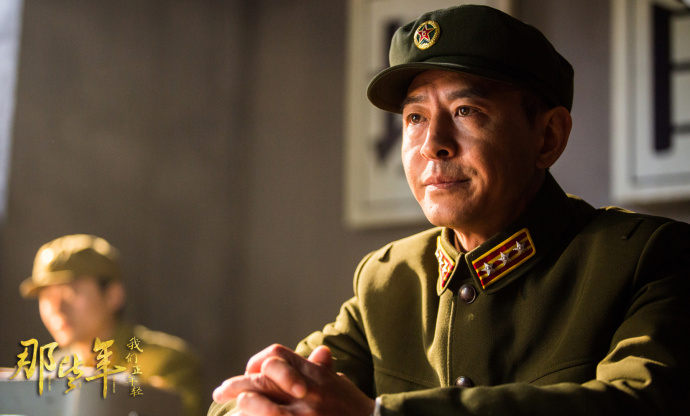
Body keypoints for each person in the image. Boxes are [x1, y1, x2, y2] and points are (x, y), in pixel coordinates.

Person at [209, 5, 690, 416]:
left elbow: (643, 403)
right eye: (415, 118)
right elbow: (262, 397)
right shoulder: (388, 281)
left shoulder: (646, 259)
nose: (432, 145)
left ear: (548, 137)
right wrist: (259, 402)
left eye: (465, 111)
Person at [19, 234, 204, 416]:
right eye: (46, 297)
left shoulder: (164, 364)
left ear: (113, 295)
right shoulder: (46, 372)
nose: (57, 308)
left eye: (70, 292)